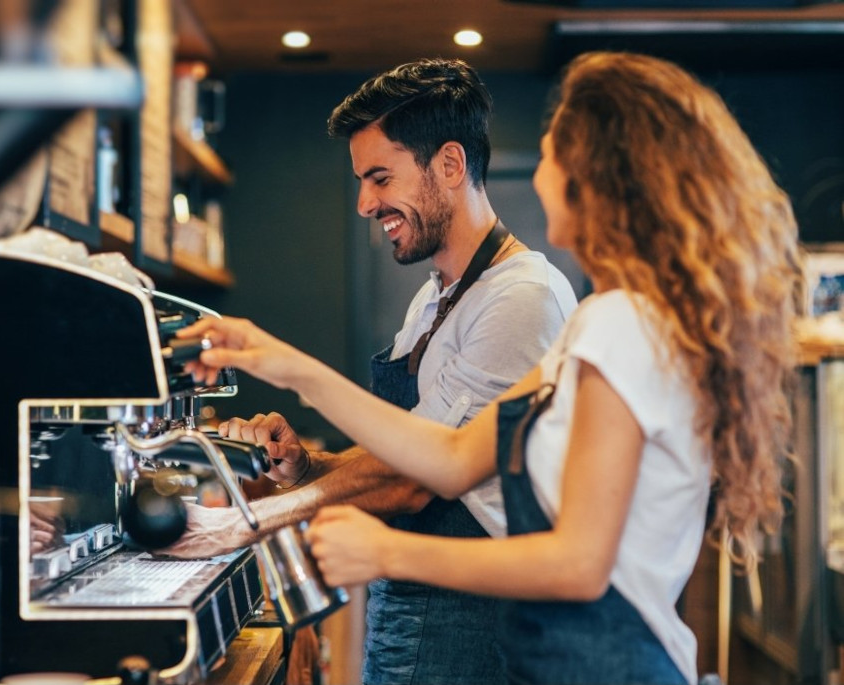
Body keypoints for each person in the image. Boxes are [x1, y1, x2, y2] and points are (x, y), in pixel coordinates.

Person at [176, 51, 802, 685]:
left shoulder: (619, 326)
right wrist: (284, 367)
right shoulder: (597, 323)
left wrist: (389, 549)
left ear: (601, 175)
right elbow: (448, 456)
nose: (536, 175)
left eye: (552, 154)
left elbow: (580, 563)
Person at [163, 57, 578, 685]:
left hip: (473, 623)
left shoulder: (522, 297)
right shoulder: (436, 296)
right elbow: (411, 451)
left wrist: (244, 523)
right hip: (414, 605)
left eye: (380, 178)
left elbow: (425, 480)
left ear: (449, 165)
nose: (364, 203)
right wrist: (306, 467)